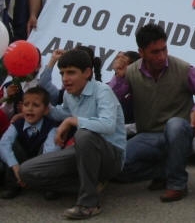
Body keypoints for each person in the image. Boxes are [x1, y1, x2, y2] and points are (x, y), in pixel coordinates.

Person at [19, 49, 126, 220]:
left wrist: (72, 121)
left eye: (71, 72)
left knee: (84, 135)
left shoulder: (102, 91)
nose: (65, 78)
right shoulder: (69, 95)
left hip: (111, 156)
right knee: (27, 171)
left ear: (87, 72)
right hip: (83, 151)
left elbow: (107, 125)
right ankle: (89, 186)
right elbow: (62, 113)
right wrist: (42, 108)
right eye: (62, 73)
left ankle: (89, 204)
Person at [111, 23, 195, 202]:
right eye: (155, 52)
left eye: (164, 49)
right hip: (148, 135)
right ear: (141, 52)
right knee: (116, 166)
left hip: (179, 134)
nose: (162, 56)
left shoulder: (183, 68)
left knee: (175, 125)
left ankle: (177, 184)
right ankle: (165, 170)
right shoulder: (131, 72)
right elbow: (112, 99)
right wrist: (118, 76)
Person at [0, 86, 60, 199]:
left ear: (46, 110)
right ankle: (13, 185)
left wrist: (31, 174)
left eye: (36, 105)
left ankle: (47, 186)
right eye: (26, 105)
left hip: (40, 163)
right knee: (10, 146)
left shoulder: (51, 127)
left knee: (51, 153)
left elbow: (51, 152)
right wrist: (15, 167)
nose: (30, 109)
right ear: (21, 107)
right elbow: (3, 144)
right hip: (20, 163)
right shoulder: (17, 124)